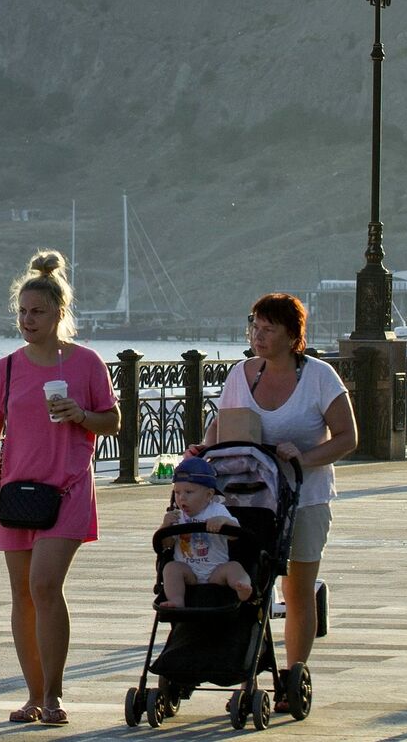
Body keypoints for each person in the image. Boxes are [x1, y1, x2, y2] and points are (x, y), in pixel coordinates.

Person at [0, 251, 118, 724]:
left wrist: (81, 415)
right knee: (23, 595)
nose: (28, 320)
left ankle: (54, 695)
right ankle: (33, 695)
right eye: (23, 312)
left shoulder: (88, 363)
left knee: (45, 584)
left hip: (70, 486)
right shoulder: (6, 369)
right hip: (17, 491)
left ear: (59, 314)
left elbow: (112, 422)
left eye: (38, 312)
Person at [198, 292, 356, 700]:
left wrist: (303, 458)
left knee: (296, 589)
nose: (259, 336)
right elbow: (221, 426)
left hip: (305, 497)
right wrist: (201, 455)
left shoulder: (320, 376)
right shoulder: (242, 374)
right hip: (248, 499)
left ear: (292, 335)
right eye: (255, 326)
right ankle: (243, 669)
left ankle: (292, 674)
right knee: (249, 584)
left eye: (269, 329)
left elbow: (347, 438)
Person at [157, 457, 253, 608]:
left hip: (216, 570)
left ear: (208, 495)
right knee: (170, 568)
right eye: (177, 492)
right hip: (188, 571)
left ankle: (242, 587)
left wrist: (223, 521)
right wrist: (165, 527)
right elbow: (166, 544)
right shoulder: (177, 515)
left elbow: (236, 533)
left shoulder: (217, 510)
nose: (182, 497)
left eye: (189, 492)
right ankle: (176, 600)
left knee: (234, 567)